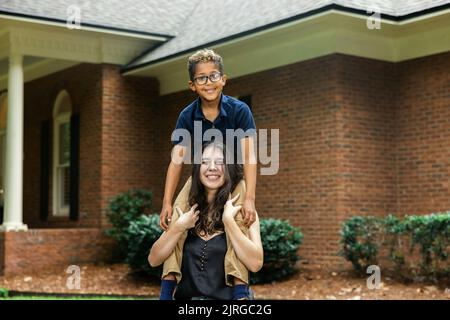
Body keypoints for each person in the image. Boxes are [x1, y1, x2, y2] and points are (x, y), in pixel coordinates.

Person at [160, 49, 258, 232]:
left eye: (213, 76)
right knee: (175, 223)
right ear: (192, 85)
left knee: (242, 226)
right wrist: (167, 202)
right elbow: (176, 161)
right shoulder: (187, 116)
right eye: (201, 78)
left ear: (223, 79)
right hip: (201, 180)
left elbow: (249, 157)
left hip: (234, 180)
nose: (208, 83)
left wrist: (249, 199)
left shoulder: (240, 110)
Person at [149, 142, 263, 300]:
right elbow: (154, 259)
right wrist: (179, 227)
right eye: (204, 162)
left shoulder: (245, 214)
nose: (212, 167)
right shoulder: (185, 214)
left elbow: (255, 263)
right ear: (197, 170)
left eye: (220, 162)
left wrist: (229, 222)